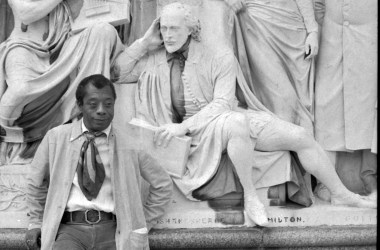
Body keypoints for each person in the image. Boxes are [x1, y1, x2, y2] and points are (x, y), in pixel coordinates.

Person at [117, 2, 376, 227]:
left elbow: (222, 103)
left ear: (191, 29)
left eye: (174, 28)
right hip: (212, 129)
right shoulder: (155, 59)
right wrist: (144, 43)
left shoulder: (218, 56)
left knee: (299, 135)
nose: (168, 35)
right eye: (163, 28)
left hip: (216, 120)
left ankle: (341, 192)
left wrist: (183, 127)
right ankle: (251, 198)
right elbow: (119, 73)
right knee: (238, 123)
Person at [24, 74, 173, 250]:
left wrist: (140, 222)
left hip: (114, 232)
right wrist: (35, 223)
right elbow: (35, 182)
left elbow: (162, 184)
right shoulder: (56, 138)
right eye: (93, 104)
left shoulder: (130, 144)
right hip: (70, 232)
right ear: (80, 106)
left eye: (108, 104)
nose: (101, 110)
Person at [0, 0, 125, 162]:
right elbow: (26, 14)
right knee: (20, 89)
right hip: (24, 47)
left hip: (63, 46)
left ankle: (90, 130)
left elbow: (83, 14)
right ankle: (4, 139)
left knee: (103, 31)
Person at [313, 0, 377, 201]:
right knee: (326, 105)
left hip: (368, 41)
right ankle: (326, 181)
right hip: (331, 41)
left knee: (367, 108)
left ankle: (369, 177)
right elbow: (317, 5)